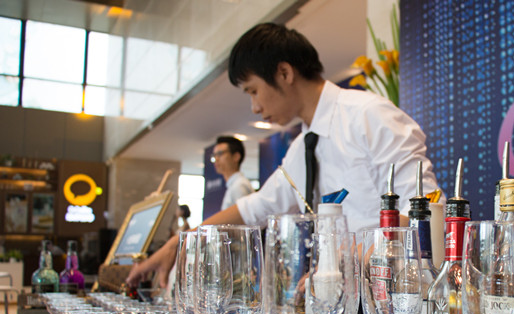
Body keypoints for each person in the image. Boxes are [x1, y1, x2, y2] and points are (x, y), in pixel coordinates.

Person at [127, 22, 439, 288]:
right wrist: (179, 244)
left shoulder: (370, 116)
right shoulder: (302, 147)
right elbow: (257, 208)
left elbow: (424, 212)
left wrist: (343, 265)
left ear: (284, 72)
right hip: (341, 305)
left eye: (253, 90)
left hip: (396, 301)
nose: (254, 107)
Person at [212, 135, 255, 210]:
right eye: (214, 155)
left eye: (220, 154)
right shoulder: (234, 185)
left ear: (236, 157)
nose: (216, 159)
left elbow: (242, 216)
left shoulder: (239, 186)